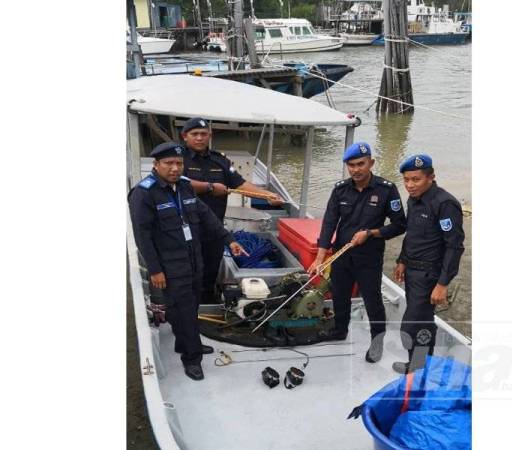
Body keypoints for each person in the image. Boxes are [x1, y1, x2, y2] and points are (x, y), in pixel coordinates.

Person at [128, 142, 247, 381]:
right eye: (168, 163)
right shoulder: (144, 193)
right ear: (156, 165)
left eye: (179, 163)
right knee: (182, 309)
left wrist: (229, 239)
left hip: (194, 259)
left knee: (191, 306)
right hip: (170, 265)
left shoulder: (184, 187)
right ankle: (192, 358)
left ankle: (185, 343)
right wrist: (155, 270)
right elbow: (143, 236)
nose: (174, 168)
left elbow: (206, 217)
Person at [308, 142, 407, 363]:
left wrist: (372, 233)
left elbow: (400, 224)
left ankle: (377, 341)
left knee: (372, 300)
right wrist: (320, 258)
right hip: (342, 254)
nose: (355, 169)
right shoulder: (340, 189)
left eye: (360, 164)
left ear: (370, 163)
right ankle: (339, 330)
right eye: (351, 165)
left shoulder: (386, 189)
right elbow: (329, 224)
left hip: (369, 257)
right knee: (339, 294)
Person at [180, 117, 284, 303]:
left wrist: (266, 195)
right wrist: (210, 187)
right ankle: (187, 305)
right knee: (187, 271)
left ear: (210, 136)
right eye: (194, 134)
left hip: (214, 229)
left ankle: (206, 302)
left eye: (203, 134)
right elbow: (178, 183)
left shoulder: (220, 161)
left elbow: (240, 184)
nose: (199, 138)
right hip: (185, 228)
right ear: (185, 136)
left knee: (210, 270)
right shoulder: (178, 160)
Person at [392, 154, 465, 374]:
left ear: (431, 177)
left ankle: (419, 369)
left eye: (416, 180)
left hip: (429, 275)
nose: (409, 185)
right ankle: (420, 366)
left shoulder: (444, 204)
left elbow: (454, 246)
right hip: (413, 272)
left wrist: (442, 284)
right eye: (406, 180)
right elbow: (413, 235)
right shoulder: (413, 200)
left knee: (412, 325)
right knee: (422, 323)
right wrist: (402, 260)